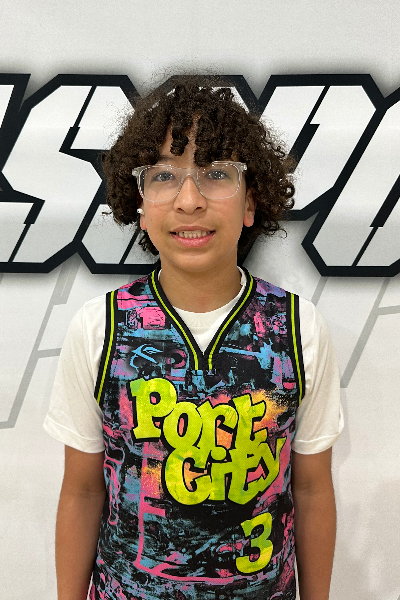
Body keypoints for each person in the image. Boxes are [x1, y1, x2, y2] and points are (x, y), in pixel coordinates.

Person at [44, 76, 343, 600]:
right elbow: (83, 490)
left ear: (250, 203)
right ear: (139, 204)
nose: (189, 200)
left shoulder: (297, 328)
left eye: (216, 174)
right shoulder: (100, 327)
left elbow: (313, 489)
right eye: (164, 176)